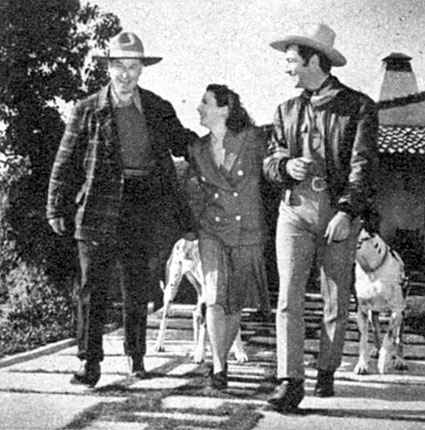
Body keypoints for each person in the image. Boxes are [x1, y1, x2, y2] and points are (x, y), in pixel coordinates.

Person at [46, 31, 198, 387]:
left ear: (142, 69)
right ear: (109, 68)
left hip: (141, 203)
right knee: (92, 288)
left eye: (133, 67)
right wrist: (55, 207)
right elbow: (64, 162)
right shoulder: (87, 110)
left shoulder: (159, 108)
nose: (126, 74)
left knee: (137, 285)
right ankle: (89, 363)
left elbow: (184, 144)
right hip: (96, 207)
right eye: (119, 67)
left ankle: (136, 357)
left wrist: (225, 139)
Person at [263, 23, 379, 412]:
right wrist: (285, 165)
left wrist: (347, 211)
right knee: (288, 298)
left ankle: (326, 370)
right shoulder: (286, 110)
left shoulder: (359, 107)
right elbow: (271, 160)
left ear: (315, 60)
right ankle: (289, 380)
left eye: (292, 62)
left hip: (336, 212)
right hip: (294, 211)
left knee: (334, 299)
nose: (287, 70)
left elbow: (363, 166)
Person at [186, 84, 271, 389]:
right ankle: (219, 365)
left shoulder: (252, 140)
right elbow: (192, 189)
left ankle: (221, 360)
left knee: (234, 302)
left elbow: (270, 175)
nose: (199, 107)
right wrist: (197, 221)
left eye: (205, 102)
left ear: (224, 109)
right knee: (213, 296)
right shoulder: (197, 149)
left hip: (247, 232)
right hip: (212, 231)